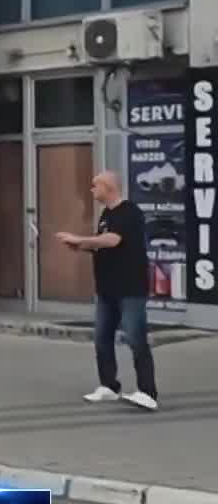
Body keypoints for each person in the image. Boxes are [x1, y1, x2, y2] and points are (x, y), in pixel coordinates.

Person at [57, 171, 160, 411]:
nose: (92, 190)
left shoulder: (130, 212)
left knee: (136, 338)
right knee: (102, 338)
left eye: (95, 186)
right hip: (106, 288)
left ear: (108, 187)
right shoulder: (107, 214)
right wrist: (81, 246)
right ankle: (109, 386)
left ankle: (148, 392)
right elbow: (103, 244)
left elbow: (113, 240)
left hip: (130, 288)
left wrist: (80, 238)